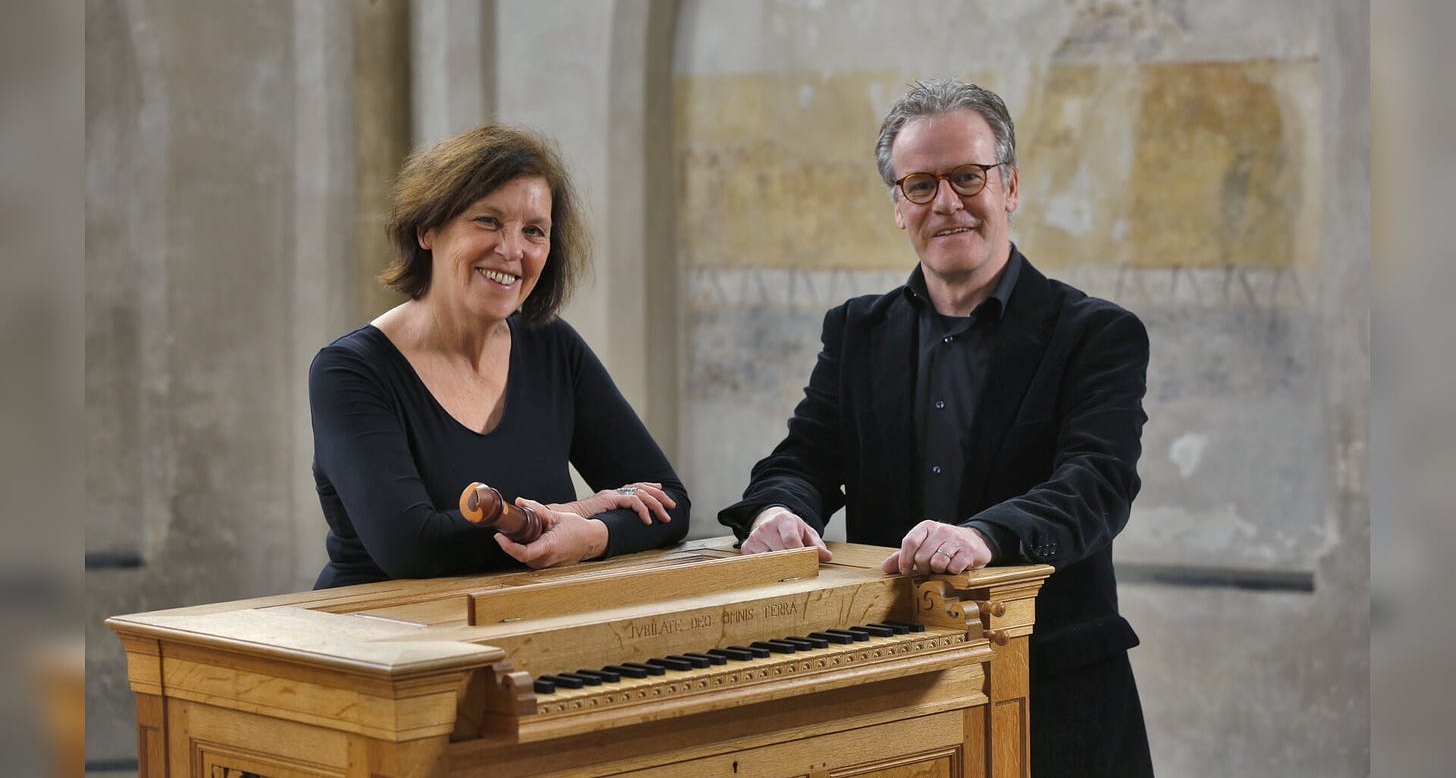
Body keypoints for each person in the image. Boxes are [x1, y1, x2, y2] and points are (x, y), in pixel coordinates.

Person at [717, 79, 1152, 777]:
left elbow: (1095, 485)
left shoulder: (1097, 334)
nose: (945, 203)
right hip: (899, 694)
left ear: (1009, 186)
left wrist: (982, 536)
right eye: (919, 184)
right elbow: (800, 458)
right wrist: (777, 511)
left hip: (1057, 699)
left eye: (966, 177)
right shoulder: (858, 330)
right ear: (898, 206)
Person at [310, 124, 690, 589]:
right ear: (428, 229)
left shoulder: (552, 347)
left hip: (522, 627)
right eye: (488, 221)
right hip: (381, 637)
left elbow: (669, 505)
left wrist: (591, 537)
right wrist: (579, 510)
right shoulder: (349, 372)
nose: (512, 250)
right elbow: (414, 547)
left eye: (534, 231)